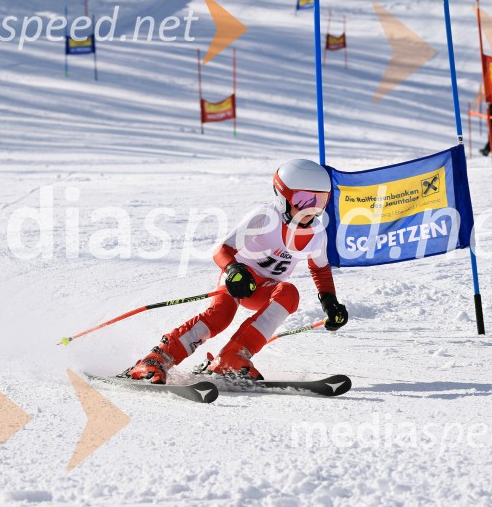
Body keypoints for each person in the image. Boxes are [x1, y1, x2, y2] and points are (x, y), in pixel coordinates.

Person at [125, 159, 349, 384]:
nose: (310, 210)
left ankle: (232, 356)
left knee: (289, 293)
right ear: (283, 196)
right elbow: (222, 250)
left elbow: (319, 269)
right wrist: (233, 270)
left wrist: (330, 302)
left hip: (264, 290)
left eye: (319, 201)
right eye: (303, 200)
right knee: (221, 316)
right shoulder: (265, 218)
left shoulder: (317, 233)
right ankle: (156, 359)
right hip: (239, 279)